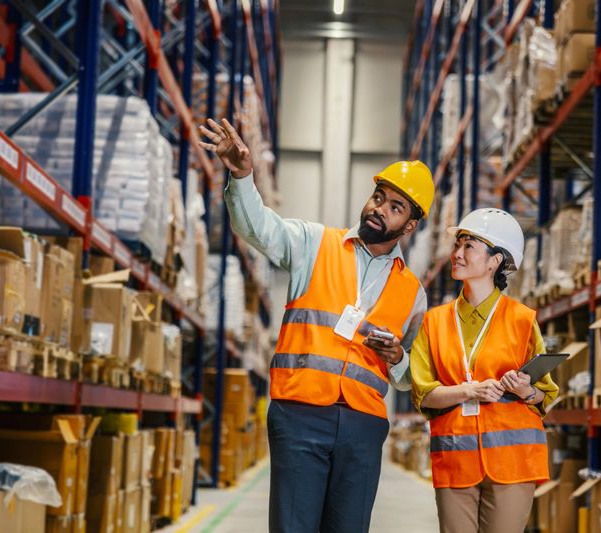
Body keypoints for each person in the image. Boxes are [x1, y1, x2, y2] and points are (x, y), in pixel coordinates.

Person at [199, 118, 435, 533]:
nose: (380, 209)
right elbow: (259, 228)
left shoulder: (413, 292)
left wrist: (398, 357)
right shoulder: (315, 243)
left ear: (409, 226)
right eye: (378, 198)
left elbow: (410, 374)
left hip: (363, 426)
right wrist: (242, 176)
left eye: (395, 207)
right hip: (299, 415)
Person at [409, 208, 559, 533]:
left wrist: (524, 390)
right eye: (457, 245)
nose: (457, 254)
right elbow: (423, 394)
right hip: (454, 460)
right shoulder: (434, 323)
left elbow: (543, 396)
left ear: (495, 261)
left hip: (513, 466)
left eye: (469, 246)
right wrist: (469, 391)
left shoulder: (522, 320)